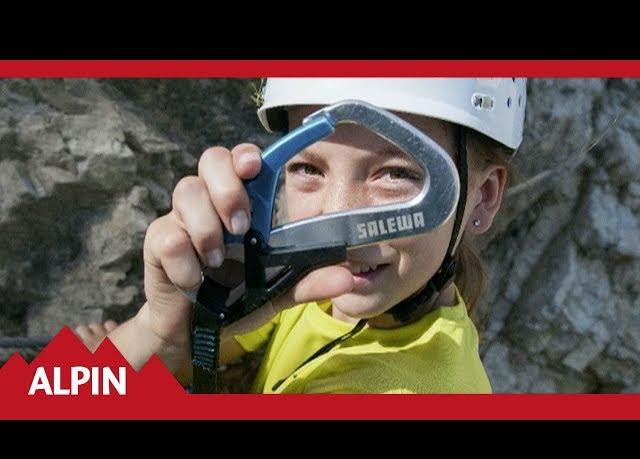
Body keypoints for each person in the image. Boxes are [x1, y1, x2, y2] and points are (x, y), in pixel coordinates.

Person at [75, 78, 526, 393]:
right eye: (308, 168)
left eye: (395, 174)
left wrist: (133, 353)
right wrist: (161, 333)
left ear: (483, 197)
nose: (338, 223)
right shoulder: (310, 291)